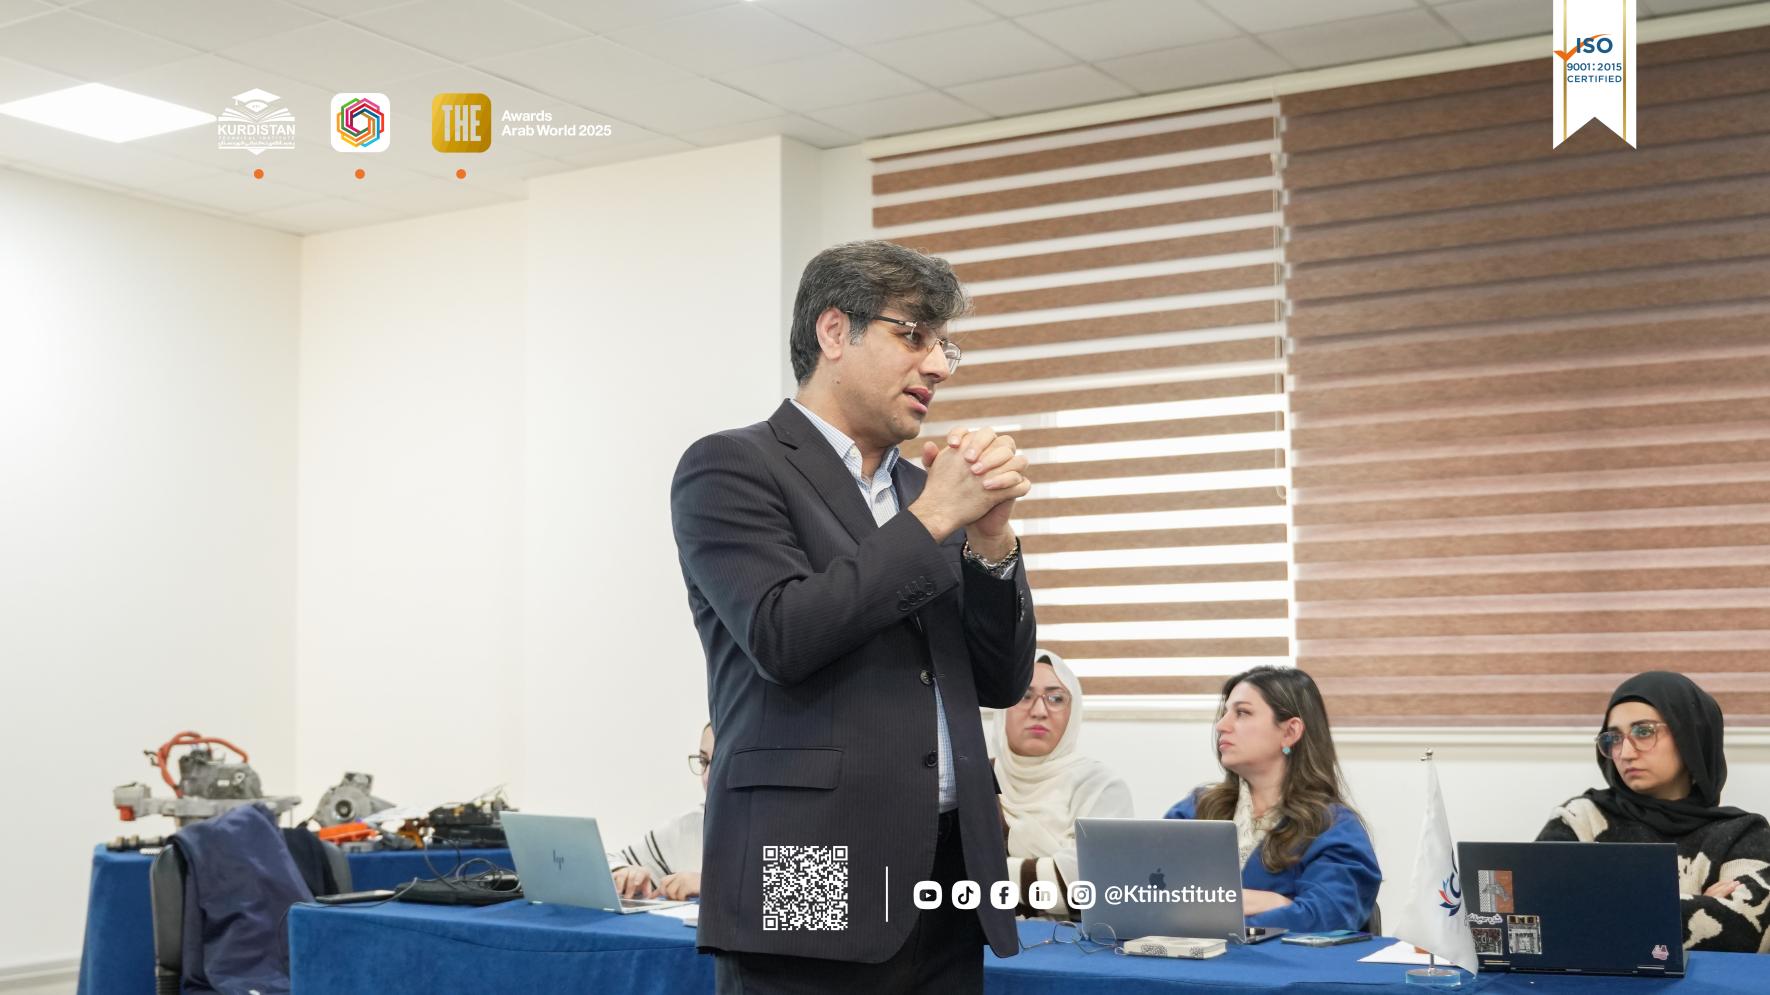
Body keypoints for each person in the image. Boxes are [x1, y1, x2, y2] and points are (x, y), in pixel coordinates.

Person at [671, 240, 1038, 993]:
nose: (938, 366)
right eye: (914, 335)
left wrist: (990, 543)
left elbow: (1000, 681)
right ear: (835, 332)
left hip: (947, 872)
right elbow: (783, 632)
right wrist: (934, 520)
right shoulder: (732, 466)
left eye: (945, 346)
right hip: (807, 861)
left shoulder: (924, 492)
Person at [1536, 671, 1770, 953]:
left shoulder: (1743, 833)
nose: (1625, 753)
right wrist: (1697, 903)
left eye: (1644, 731)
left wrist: (1598, 902)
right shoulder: (1581, 818)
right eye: (1614, 738)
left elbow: (1748, 934)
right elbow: (1538, 910)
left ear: (1690, 735)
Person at [1164, 665, 1379, 933]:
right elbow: (1146, 898)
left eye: (1242, 713)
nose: (1221, 726)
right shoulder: (1196, 810)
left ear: (1290, 732)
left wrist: (1209, 914)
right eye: (1225, 713)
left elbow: (1324, 920)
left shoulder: (1334, 828)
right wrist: (1278, 905)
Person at [993, 649, 1133, 919]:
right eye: (1024, 696)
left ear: (1073, 711)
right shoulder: (974, 780)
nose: (1039, 711)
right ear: (1002, 709)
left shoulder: (1100, 786)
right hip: (984, 942)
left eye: (1056, 698)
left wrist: (987, 875)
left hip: (1078, 942)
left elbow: (1093, 886)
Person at [610, 722, 712, 901]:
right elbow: (610, 861)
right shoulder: (687, 827)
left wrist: (710, 884)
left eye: (722, 761)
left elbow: (768, 901)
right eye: (704, 761)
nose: (707, 776)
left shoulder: (768, 828)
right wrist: (623, 872)